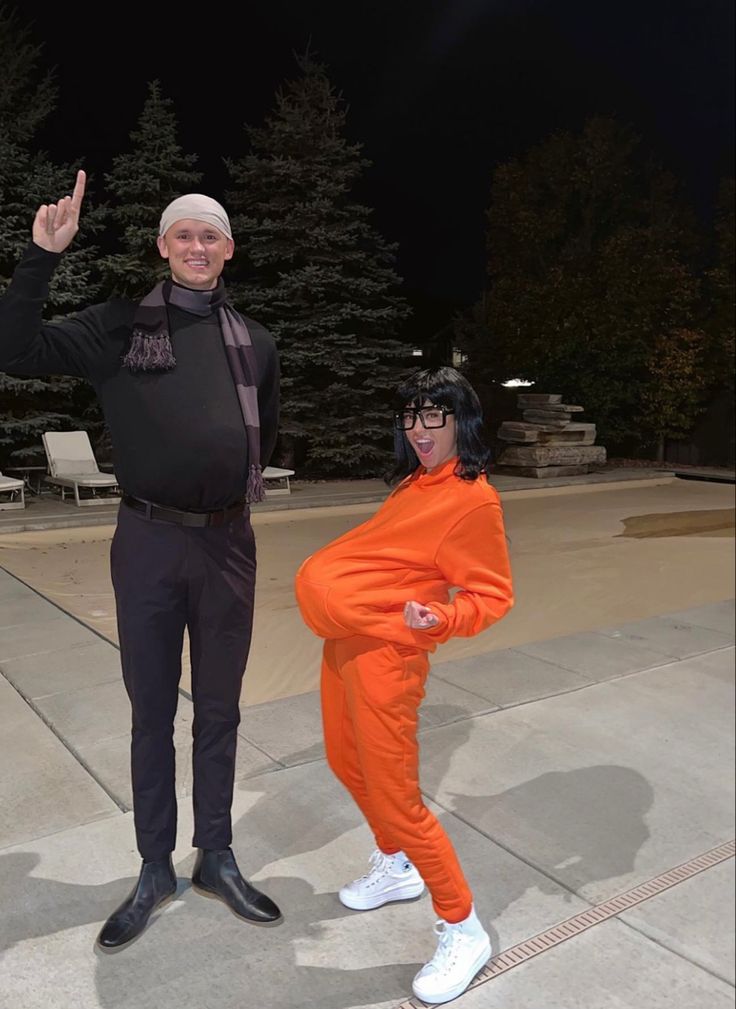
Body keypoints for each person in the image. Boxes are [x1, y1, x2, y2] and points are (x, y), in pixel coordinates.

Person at [0, 171, 283, 949]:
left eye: (211, 234)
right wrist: (40, 257)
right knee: (152, 712)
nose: (197, 245)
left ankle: (215, 854)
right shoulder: (119, 327)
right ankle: (154, 863)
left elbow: (269, 435)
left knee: (220, 710)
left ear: (229, 249)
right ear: (164, 247)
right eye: (183, 233)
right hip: (151, 541)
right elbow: (12, 348)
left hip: (228, 542)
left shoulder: (254, 342)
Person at [294, 366, 514, 1005]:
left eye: (434, 416)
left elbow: (492, 596)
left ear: (461, 422)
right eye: (412, 417)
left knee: (396, 795)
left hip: (388, 656)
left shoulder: (474, 499)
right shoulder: (418, 484)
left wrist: (441, 617)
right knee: (345, 761)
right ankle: (394, 868)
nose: (420, 430)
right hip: (346, 645)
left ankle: (461, 926)